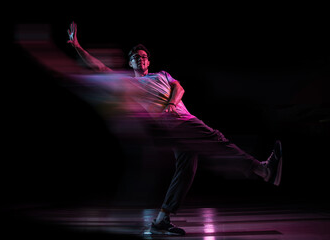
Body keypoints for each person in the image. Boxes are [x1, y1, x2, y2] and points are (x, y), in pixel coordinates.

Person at [67, 22, 283, 236]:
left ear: (148, 61)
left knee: (187, 168)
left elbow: (179, 87)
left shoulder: (162, 74)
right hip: (173, 122)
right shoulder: (129, 83)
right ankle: (262, 170)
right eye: (135, 57)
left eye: (143, 56)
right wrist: (77, 46)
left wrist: (171, 103)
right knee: (217, 140)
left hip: (179, 118)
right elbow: (100, 68)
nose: (139, 59)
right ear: (131, 63)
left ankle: (162, 219)